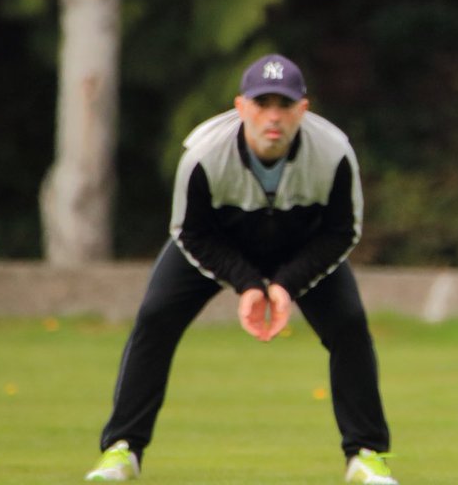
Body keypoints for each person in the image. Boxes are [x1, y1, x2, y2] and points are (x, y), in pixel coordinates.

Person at [84, 53, 398, 484]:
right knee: (155, 318)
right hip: (218, 239)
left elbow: (342, 232)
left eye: (284, 105)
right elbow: (189, 232)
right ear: (240, 107)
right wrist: (248, 285)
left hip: (303, 240)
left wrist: (285, 285)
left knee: (349, 325)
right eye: (262, 103)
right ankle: (122, 449)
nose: (273, 116)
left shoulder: (334, 154)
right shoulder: (202, 154)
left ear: (302, 110)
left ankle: (365, 455)